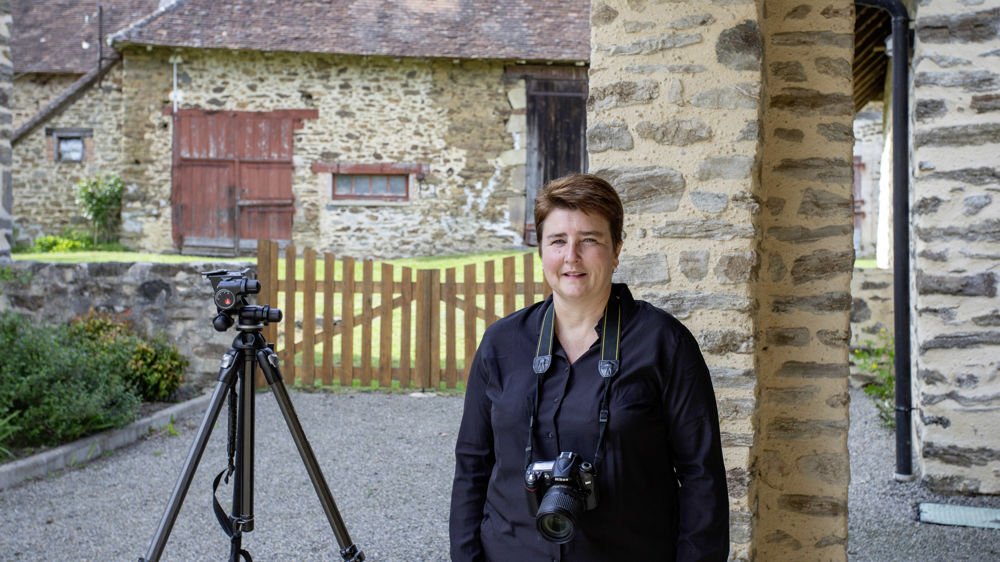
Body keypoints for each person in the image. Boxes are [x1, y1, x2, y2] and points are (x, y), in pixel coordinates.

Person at [449, 173, 729, 561]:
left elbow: (703, 478)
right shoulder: (501, 344)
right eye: (558, 241)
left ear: (616, 249)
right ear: (542, 250)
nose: (571, 257)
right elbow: (472, 468)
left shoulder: (664, 344)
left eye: (589, 240)